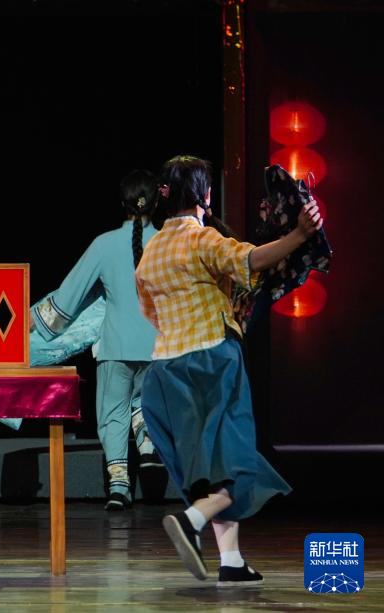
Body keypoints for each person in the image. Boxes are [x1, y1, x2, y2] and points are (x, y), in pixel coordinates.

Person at [135, 155, 322, 586]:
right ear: (205, 194)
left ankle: (231, 559)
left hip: (165, 372)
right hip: (211, 363)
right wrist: (299, 234)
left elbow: (152, 315)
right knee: (235, 461)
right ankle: (192, 520)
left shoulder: (150, 252)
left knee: (212, 466)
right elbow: (252, 259)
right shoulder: (202, 240)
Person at [33, 170, 165, 511]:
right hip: (160, 347)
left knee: (113, 413)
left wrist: (34, 321)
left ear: (122, 203)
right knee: (145, 401)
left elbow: (68, 297)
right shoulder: (169, 243)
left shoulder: (104, 244)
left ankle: (119, 485)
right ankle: (148, 443)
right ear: (156, 202)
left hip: (116, 345)